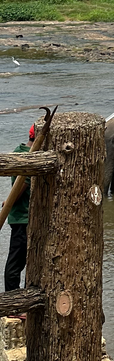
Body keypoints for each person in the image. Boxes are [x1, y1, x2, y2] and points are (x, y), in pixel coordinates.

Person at [4, 124, 34, 292]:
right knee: (16, 262)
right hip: (23, 217)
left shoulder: (23, 152)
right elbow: (23, 183)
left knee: (28, 261)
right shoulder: (24, 156)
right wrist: (9, 200)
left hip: (26, 217)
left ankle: (23, 299)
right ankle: (12, 302)